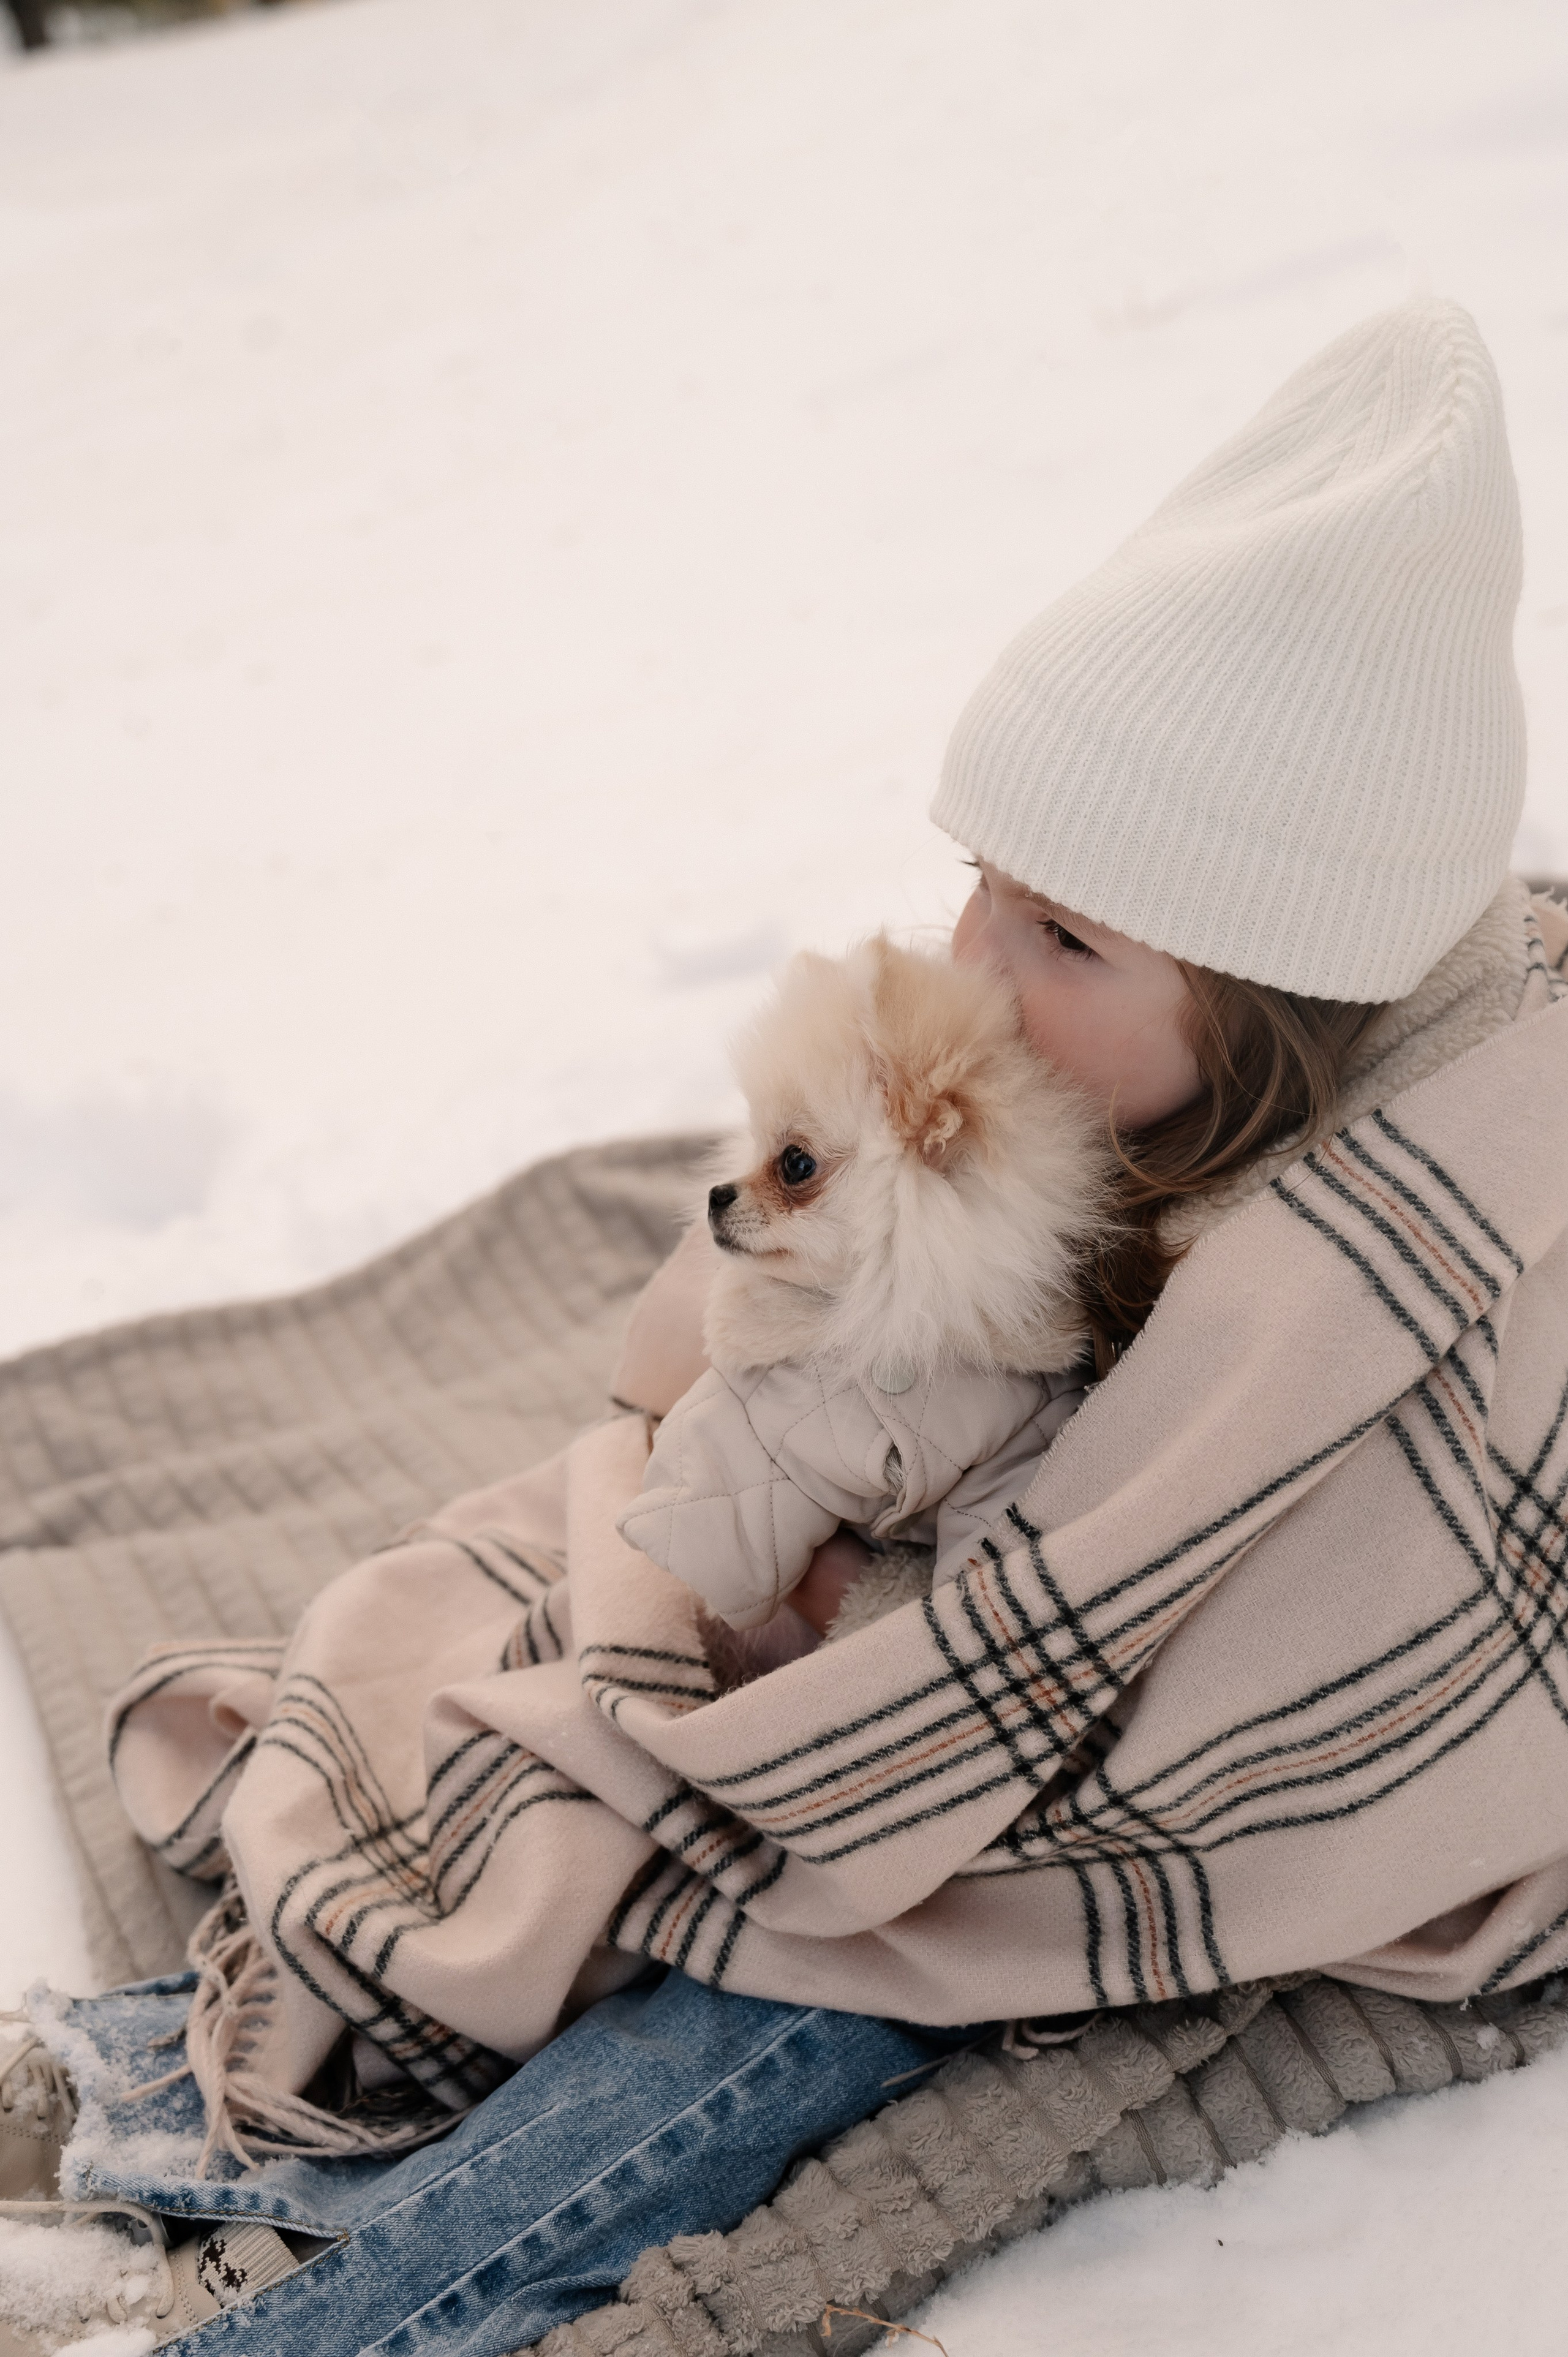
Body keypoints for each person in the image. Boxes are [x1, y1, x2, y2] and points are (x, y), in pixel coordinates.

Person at [6, 295, 1565, 2357]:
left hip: (1159, 1804)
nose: (977, 971)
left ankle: (327, 2314)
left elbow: (1260, 1653)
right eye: (983, 885)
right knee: (550, 1718)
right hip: (914, 1597)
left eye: (1064, 936)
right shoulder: (1145, 1072)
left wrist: (861, 1680)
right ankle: (139, 2078)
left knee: (792, 1989)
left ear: (1279, 994)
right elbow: (758, 1343)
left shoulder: (1410, 1233)